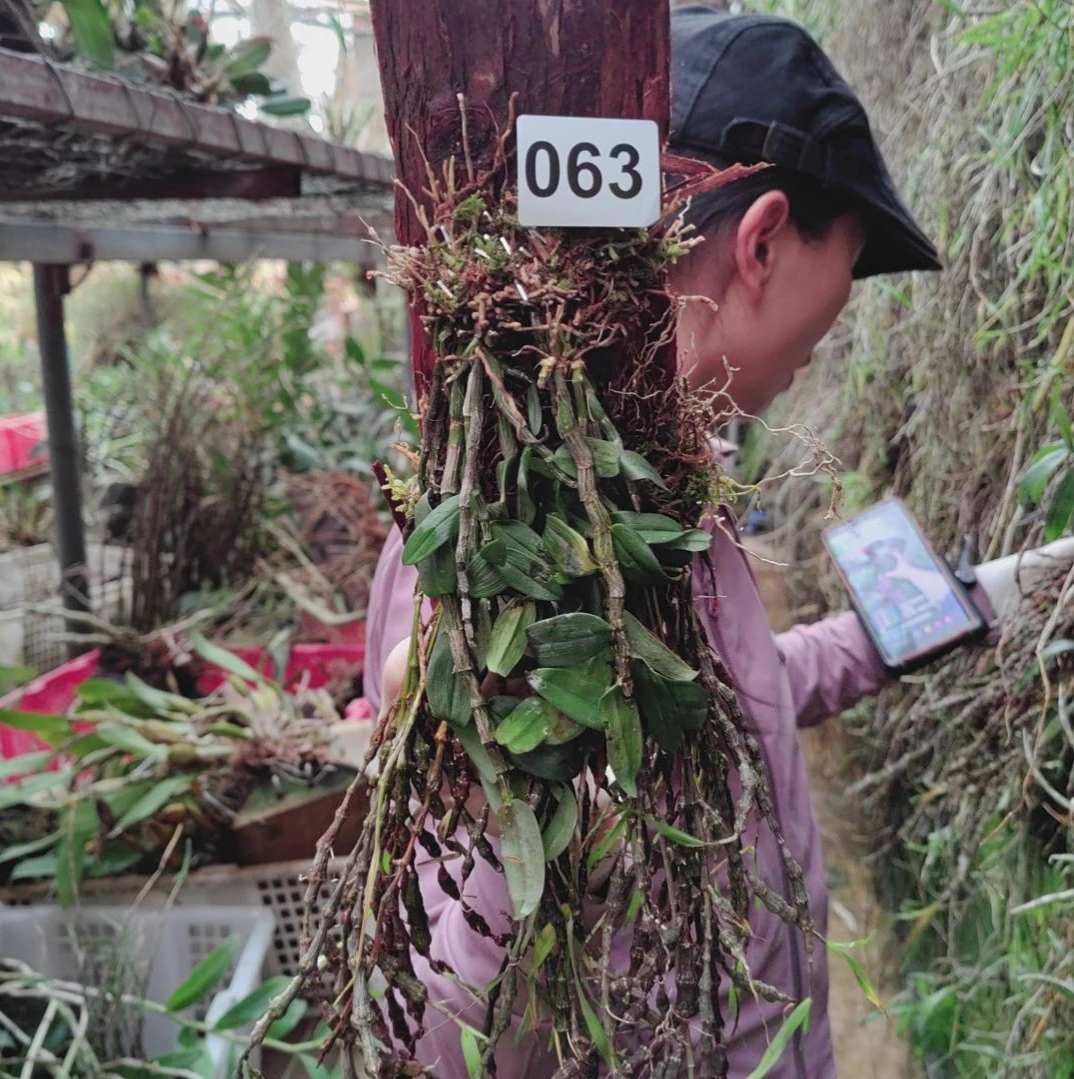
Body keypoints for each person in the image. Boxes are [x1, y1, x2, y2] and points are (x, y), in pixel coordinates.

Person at [363, 9, 1074, 1077]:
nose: (820, 345)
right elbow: (440, 1030)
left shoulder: (672, 508)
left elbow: (733, 700)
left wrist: (971, 601)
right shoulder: (496, 560)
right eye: (838, 289)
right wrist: (515, 833)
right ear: (761, 242)